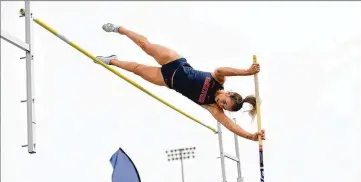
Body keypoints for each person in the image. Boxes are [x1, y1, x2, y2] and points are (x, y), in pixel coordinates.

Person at [96, 23, 265, 142]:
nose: (221, 105)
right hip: (174, 62)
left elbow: (229, 126)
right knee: (145, 45)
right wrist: (247, 72)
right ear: (227, 93)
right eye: (225, 102)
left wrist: (250, 136)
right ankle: (120, 29)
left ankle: (112, 61)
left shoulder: (212, 107)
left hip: (168, 80)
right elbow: (221, 70)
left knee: (137, 69)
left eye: (224, 107)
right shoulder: (218, 81)